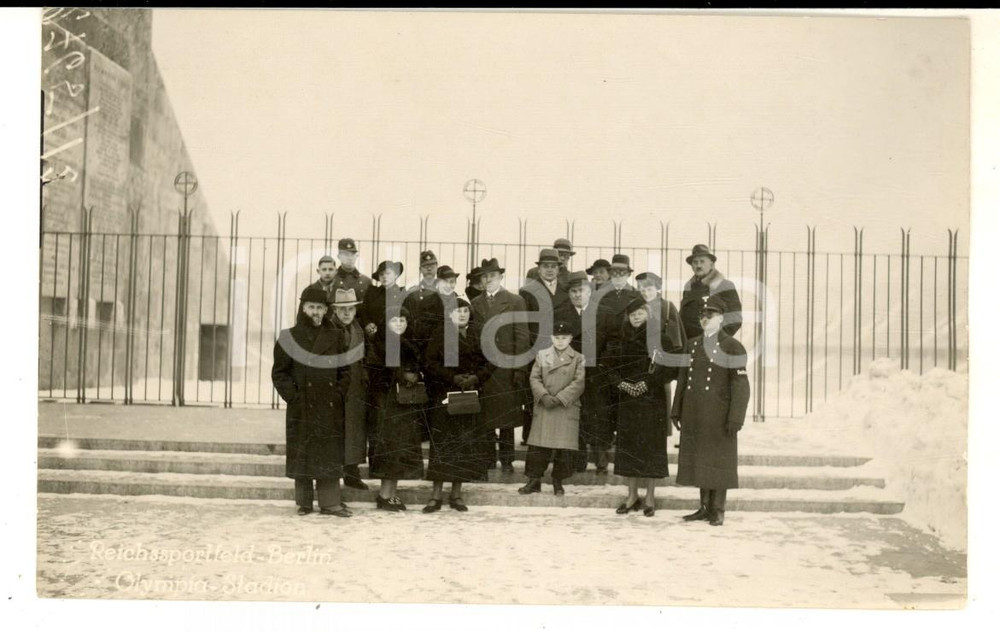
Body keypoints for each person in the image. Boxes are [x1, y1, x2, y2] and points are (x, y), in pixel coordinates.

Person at [270, 288, 352, 517]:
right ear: (303, 308)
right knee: (303, 453)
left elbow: (345, 371)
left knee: (328, 453)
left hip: (329, 406)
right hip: (302, 406)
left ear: (326, 310)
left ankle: (330, 503)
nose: (315, 312)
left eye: (320, 308)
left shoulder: (336, 336)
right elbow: (279, 373)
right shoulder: (288, 337)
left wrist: (337, 395)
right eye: (311, 307)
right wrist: (294, 397)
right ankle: (304, 502)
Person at [671, 295, 751, 527]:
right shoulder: (693, 344)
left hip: (719, 415)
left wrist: (736, 416)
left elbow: (740, 384)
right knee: (700, 460)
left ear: (722, 318)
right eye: (702, 315)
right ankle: (704, 507)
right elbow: (683, 379)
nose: (705, 319)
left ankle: (718, 509)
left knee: (718, 461)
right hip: (694, 412)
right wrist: (677, 409)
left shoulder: (732, 346)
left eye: (711, 315)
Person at [609, 297, 678, 517]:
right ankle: (631, 496)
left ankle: (649, 497)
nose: (636, 317)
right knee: (629, 449)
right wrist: (621, 384)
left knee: (650, 448)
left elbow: (670, 370)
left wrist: (647, 383)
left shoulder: (662, 339)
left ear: (648, 313)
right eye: (632, 314)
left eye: (639, 312)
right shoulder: (620, 339)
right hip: (628, 400)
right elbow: (608, 367)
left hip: (652, 401)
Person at [422, 297, 491, 512]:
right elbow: (429, 363)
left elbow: (491, 362)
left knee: (463, 444)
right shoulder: (439, 335)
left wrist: (476, 378)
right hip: (445, 396)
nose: (461, 314)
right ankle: (435, 495)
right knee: (443, 445)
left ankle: (456, 494)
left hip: (469, 396)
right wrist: (452, 378)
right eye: (457, 311)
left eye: (465, 311)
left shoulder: (477, 335)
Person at [555, 271, 619, 474]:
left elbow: (614, 341)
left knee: (600, 416)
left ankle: (601, 461)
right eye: (573, 291)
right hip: (570, 374)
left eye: (581, 290)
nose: (577, 295)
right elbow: (554, 342)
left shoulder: (606, 312)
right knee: (575, 416)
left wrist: (602, 364)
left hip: (598, 374)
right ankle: (578, 462)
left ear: (589, 291)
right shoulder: (560, 314)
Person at [470, 257, 530, 474]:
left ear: (500, 277)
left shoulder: (515, 301)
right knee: (485, 416)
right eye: (484, 276)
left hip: (505, 368)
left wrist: (520, 368)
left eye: (493, 275)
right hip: (483, 368)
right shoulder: (475, 303)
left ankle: (507, 460)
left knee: (506, 417)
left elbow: (522, 337)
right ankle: (486, 459)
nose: (488, 280)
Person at [364, 307, 426, 511]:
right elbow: (377, 374)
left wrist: (415, 375)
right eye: (395, 320)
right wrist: (401, 376)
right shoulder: (379, 344)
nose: (399, 323)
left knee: (400, 448)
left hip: (404, 404)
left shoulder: (408, 343)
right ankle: (384, 494)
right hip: (386, 405)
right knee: (389, 448)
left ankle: (392, 493)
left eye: (403, 320)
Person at [519, 320, 585, 497]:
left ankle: (558, 480)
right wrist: (544, 396)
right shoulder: (542, 355)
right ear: (551, 338)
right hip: (545, 406)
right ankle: (534, 480)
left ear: (570, 339)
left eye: (564, 338)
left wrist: (560, 398)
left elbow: (579, 383)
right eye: (557, 337)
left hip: (565, 407)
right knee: (538, 447)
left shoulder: (578, 358)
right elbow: (534, 378)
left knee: (564, 449)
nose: (560, 341)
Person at [518, 248, 571, 446]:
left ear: (559, 269)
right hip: (537, 351)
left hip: (560, 351)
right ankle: (530, 438)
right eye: (545, 266)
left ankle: (554, 440)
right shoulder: (528, 292)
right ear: (538, 269)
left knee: (557, 393)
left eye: (553, 266)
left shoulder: (565, 292)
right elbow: (524, 324)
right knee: (536, 394)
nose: (549, 270)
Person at [328, 288, 370, 492]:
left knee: (354, 431)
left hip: (355, 388)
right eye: (342, 309)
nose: (347, 313)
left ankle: (352, 473)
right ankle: (334, 477)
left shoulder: (357, 329)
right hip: (335, 386)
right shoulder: (328, 329)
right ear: (335, 310)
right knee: (336, 431)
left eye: (351, 309)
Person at [678, 244, 742, 340]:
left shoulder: (724, 285)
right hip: (691, 344)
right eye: (695, 262)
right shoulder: (689, 287)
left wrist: (715, 338)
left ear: (711, 264)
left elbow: (735, 319)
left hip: (713, 345)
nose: (698, 265)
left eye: (702, 261)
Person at [414, 264, 461, 346]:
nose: (449, 285)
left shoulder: (460, 302)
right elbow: (420, 334)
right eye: (445, 282)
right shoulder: (426, 303)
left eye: (452, 282)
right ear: (438, 283)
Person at [359, 260, 406, 340]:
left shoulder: (402, 293)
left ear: (395, 275)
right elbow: (363, 311)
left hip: (394, 337)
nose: (384, 276)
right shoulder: (372, 292)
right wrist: (367, 323)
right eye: (381, 274)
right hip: (372, 337)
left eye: (388, 273)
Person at [329, 238, 373, 304]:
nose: (350, 258)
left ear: (356, 256)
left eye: (352, 254)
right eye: (346, 254)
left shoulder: (366, 281)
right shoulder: (331, 279)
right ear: (339, 256)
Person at [598, 254, 641, 322]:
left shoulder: (637, 296)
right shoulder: (599, 295)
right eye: (614, 272)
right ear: (610, 274)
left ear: (629, 274)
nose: (618, 276)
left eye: (622, 272)